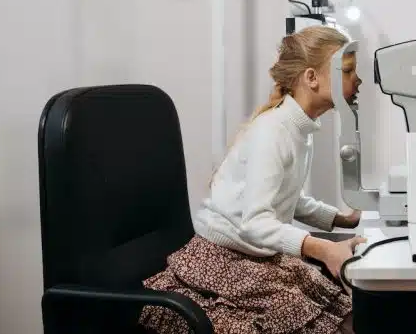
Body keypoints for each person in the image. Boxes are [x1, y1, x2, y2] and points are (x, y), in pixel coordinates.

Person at [140, 25, 366, 334]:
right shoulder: (274, 132)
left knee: (346, 311)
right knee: (316, 318)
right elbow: (255, 222)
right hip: (222, 260)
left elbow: (286, 196)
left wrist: (341, 219)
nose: (358, 80)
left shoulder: (299, 130)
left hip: (256, 255)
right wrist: (323, 249)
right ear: (311, 78)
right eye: (347, 71)